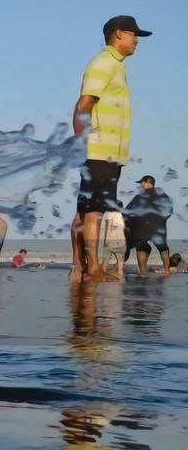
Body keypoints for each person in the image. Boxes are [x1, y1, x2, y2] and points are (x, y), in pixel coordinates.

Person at [70, 15, 151, 281]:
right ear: (118, 34)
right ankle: (90, 267)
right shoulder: (103, 63)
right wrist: (82, 145)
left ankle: (79, 266)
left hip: (108, 154)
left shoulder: (116, 66)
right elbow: (83, 106)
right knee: (92, 211)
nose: (136, 40)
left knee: (88, 210)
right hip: (98, 151)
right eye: (133, 34)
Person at [123, 175, 173, 276]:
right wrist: (161, 220)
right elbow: (169, 211)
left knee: (141, 246)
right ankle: (166, 271)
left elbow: (127, 213)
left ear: (147, 182)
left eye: (142, 182)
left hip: (141, 228)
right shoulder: (162, 195)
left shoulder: (139, 197)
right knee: (163, 248)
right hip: (158, 227)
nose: (141, 185)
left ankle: (143, 272)